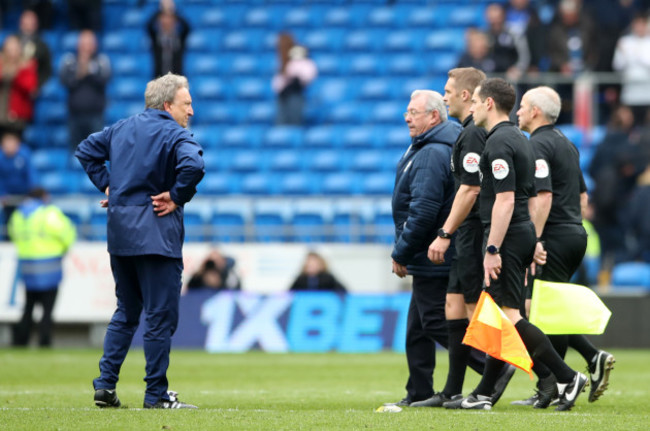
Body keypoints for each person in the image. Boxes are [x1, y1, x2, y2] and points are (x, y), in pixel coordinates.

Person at [446, 78, 587, 412]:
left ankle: (566, 376)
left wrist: (492, 249)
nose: (474, 107)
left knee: (509, 316)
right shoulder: (520, 138)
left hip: (508, 236)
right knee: (498, 314)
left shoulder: (498, 144)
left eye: (478, 102)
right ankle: (484, 392)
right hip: (520, 232)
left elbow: (505, 200)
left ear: (490, 103)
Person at [75, 73, 204, 409]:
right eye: (186, 104)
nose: (191, 111)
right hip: (157, 237)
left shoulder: (120, 128)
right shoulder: (175, 134)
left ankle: (105, 385)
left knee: (127, 311)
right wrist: (177, 196)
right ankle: (156, 395)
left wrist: (110, 187)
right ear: (167, 105)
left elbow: (86, 150)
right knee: (160, 317)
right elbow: (194, 164)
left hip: (120, 236)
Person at [416, 68, 513, 408]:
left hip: (473, 232)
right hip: (468, 233)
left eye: (448, 90)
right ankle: (452, 389)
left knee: (477, 310)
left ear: (466, 96)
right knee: (453, 308)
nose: (444, 96)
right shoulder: (467, 132)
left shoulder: (473, 135)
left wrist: (445, 232)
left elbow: (470, 189)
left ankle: (540, 375)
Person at [514, 86, 614, 407]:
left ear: (536, 112)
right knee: (548, 309)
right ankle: (586, 360)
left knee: (539, 310)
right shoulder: (567, 144)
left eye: (523, 106)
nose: (518, 111)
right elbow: (583, 196)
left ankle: (564, 379)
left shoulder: (538, 144)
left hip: (553, 235)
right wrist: (571, 224)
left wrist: (536, 240)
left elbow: (544, 196)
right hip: (574, 232)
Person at [385, 89, 485, 407]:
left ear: (433, 116)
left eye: (413, 112)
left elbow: (424, 209)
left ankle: (493, 366)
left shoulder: (430, 152)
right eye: (407, 111)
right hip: (434, 249)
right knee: (418, 327)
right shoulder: (433, 145)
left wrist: (401, 251)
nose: (406, 117)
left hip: (434, 253)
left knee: (434, 322)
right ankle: (419, 391)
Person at [8, 188, 76, 347]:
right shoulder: (48, 213)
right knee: (47, 310)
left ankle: (21, 342)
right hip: (49, 267)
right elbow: (66, 232)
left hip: (28, 267)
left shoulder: (18, 214)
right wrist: (63, 249)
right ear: (43, 197)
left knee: (28, 308)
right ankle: (44, 342)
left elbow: (13, 234)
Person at [59, 29, 111, 153]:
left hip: (96, 116)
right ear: (78, 45)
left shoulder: (101, 61)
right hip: (74, 116)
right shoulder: (69, 61)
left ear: (95, 45)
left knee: (97, 153)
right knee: (75, 153)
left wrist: (89, 71)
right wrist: (79, 73)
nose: (86, 47)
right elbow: (64, 81)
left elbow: (105, 79)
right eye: (83, 43)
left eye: (89, 43)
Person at [612, 13, 650, 127]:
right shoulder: (625, 41)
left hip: (648, 93)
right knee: (628, 124)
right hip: (630, 93)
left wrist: (633, 54)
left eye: (642, 24)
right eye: (637, 24)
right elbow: (617, 65)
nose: (639, 27)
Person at [272, 33, 318, 125]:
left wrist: (295, 79)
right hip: (283, 96)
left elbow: (309, 73)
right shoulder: (282, 61)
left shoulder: (298, 56)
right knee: (282, 123)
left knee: (294, 122)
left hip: (295, 94)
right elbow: (277, 83)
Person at [0, 131, 37, 238]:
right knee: (9, 223)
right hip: (8, 198)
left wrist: (31, 194)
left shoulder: (24, 155)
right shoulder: (0, 158)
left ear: (17, 144)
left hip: (24, 195)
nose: (9, 147)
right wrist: (2, 193)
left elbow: (31, 175)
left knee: (27, 221)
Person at [0, 34, 38, 137]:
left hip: (17, 119)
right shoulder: (1, 64)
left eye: (14, 49)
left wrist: (17, 73)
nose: (11, 53)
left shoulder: (26, 65)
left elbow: (30, 87)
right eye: (9, 49)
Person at [146, 0, 191, 78]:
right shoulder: (157, 38)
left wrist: (173, 10)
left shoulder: (179, 39)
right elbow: (148, 26)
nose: (167, 21)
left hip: (177, 79)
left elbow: (187, 27)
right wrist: (161, 9)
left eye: (170, 19)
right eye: (164, 19)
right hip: (158, 79)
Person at [15, 9, 52, 90]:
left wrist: (38, 86)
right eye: (25, 21)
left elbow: (47, 70)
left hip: (32, 85)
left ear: (36, 24)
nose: (28, 24)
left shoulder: (42, 46)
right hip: (13, 86)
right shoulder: (12, 41)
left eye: (31, 21)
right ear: (20, 23)